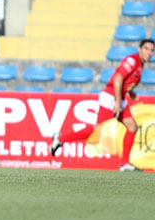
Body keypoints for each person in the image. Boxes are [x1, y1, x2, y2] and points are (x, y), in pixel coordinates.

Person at [51, 39, 155, 172]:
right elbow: (118, 79)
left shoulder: (140, 65)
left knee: (132, 126)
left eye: (152, 50)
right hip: (111, 97)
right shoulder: (132, 61)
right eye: (146, 48)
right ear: (139, 49)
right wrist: (117, 102)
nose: (149, 52)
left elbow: (126, 82)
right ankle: (60, 138)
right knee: (98, 132)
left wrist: (131, 93)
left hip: (119, 98)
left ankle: (124, 163)